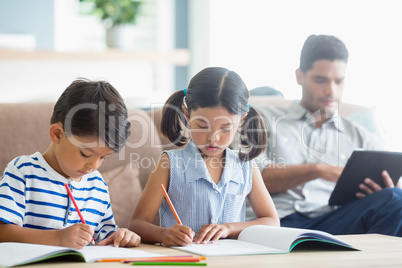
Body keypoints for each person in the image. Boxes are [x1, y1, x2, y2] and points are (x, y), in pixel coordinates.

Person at [256, 34, 402, 236]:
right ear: (300, 76)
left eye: (338, 81)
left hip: (334, 223)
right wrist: (319, 170)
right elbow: (251, 179)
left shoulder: (363, 137)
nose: (331, 90)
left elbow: (395, 191)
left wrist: (385, 189)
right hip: (278, 221)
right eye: (321, 80)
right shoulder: (264, 120)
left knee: (395, 199)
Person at [129, 67, 280, 246]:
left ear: (242, 120)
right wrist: (165, 234)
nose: (213, 138)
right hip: (184, 259)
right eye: (202, 126)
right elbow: (137, 224)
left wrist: (228, 228)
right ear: (187, 115)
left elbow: (271, 221)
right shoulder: (169, 163)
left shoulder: (246, 167)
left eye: (225, 128)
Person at [0, 79, 141, 248]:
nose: (94, 166)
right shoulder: (23, 171)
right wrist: (58, 239)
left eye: (103, 158)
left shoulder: (97, 185)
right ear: (57, 134)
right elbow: (3, 231)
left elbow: (105, 236)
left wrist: (121, 236)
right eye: (86, 154)